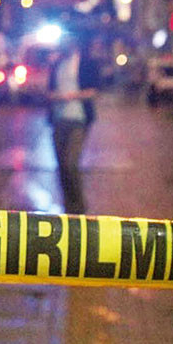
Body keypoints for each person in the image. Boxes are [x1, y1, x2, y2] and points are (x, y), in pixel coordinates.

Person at [47, 37, 100, 214]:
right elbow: (49, 91)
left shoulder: (86, 63)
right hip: (58, 119)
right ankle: (68, 205)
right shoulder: (56, 63)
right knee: (61, 165)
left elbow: (93, 91)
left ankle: (79, 206)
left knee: (71, 163)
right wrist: (56, 97)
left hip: (79, 119)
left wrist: (73, 96)